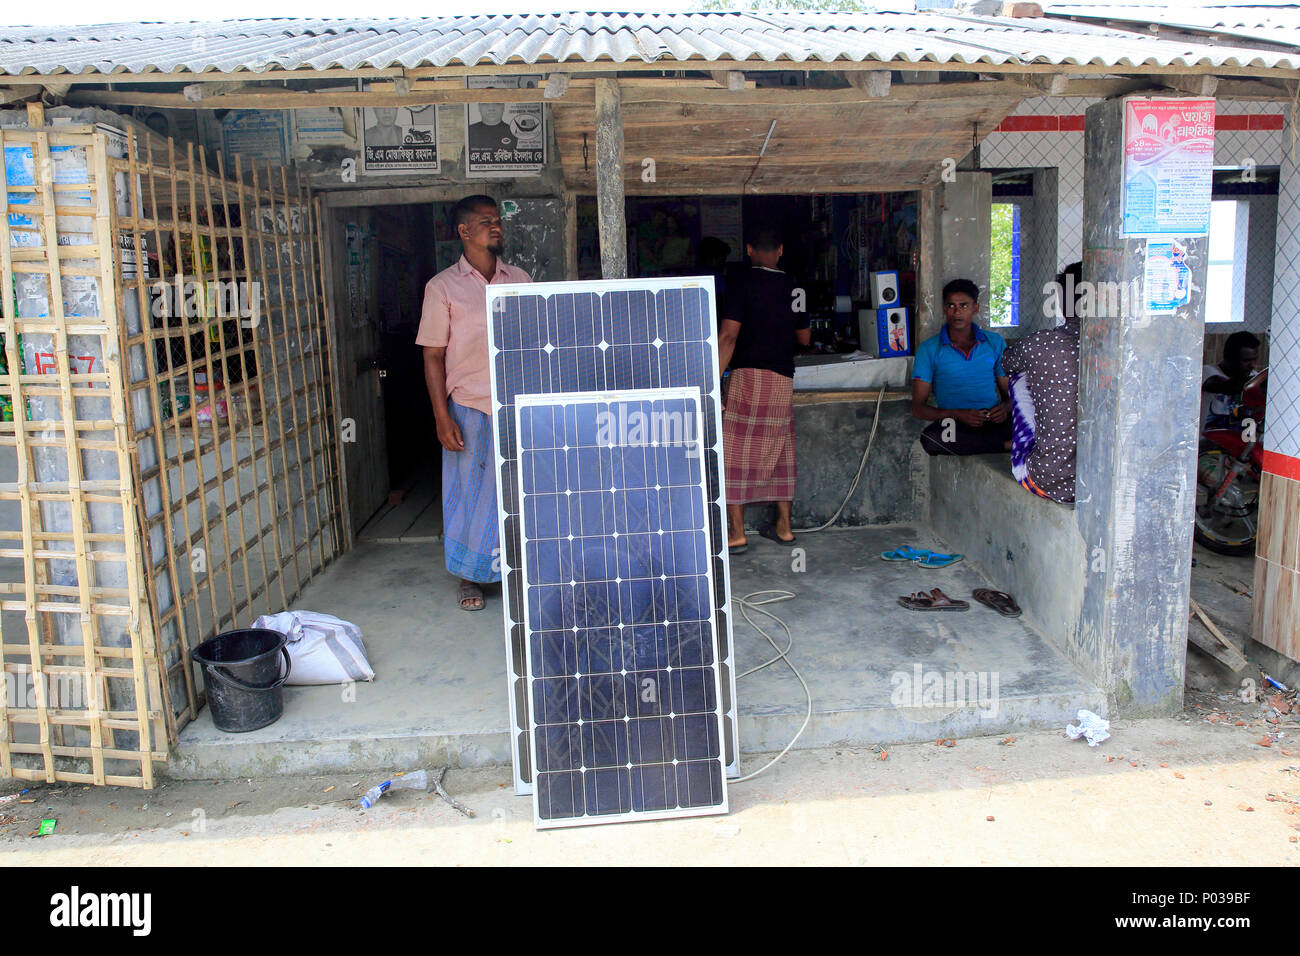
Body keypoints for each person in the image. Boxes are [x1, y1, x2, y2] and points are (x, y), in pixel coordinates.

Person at [417, 195, 532, 611]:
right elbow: (432, 355)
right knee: (470, 494)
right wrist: (441, 416)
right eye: (486, 221)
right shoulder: (442, 286)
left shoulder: (519, 278)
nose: (496, 227)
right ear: (464, 231)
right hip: (468, 406)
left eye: (498, 220)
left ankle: (517, 572)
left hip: (517, 403)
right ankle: (470, 578)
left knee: (519, 492)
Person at [718, 227, 811, 552]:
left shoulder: (741, 283)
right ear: (781, 250)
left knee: (734, 455)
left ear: (748, 250)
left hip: (748, 377)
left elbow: (728, 336)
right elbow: (805, 339)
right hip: (782, 379)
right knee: (780, 449)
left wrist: (713, 381)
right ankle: (784, 528)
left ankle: (738, 533)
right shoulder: (794, 286)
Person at [1001, 263, 1083, 503]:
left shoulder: (1039, 345)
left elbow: (1007, 363)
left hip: (1050, 480)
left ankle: (1029, 449)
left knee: (1020, 376)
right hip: (1107, 481)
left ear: (1062, 300)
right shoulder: (1125, 350)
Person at [912, 279, 1011, 455]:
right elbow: (918, 408)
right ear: (944, 308)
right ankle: (1003, 446)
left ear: (975, 308)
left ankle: (989, 443)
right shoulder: (929, 348)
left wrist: (1004, 409)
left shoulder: (994, 342)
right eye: (951, 306)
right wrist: (957, 414)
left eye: (964, 306)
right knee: (931, 439)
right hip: (955, 424)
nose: (957, 312)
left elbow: (1010, 394)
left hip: (992, 421)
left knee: (1034, 426)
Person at [1202, 331, 1262, 433]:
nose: (1252, 365)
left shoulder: (1254, 376)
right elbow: (1227, 386)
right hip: (1208, 445)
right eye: (1246, 360)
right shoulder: (1207, 372)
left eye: (1255, 360)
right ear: (1228, 357)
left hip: (1240, 445)